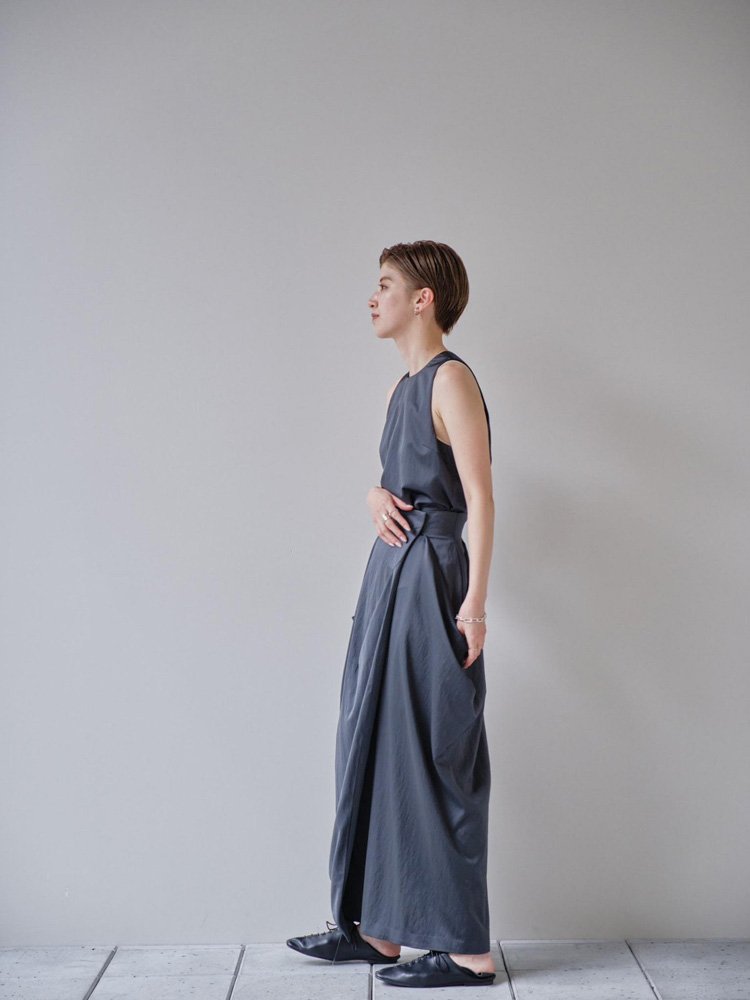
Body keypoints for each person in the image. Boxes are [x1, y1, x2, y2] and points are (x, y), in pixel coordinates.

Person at [287, 240, 496, 988]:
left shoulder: (451, 379)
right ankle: (376, 930)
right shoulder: (398, 390)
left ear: (422, 298)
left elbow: (481, 499)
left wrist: (474, 606)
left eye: (384, 285)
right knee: (372, 740)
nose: (372, 298)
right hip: (388, 580)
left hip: (433, 576)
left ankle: (468, 950)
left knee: (436, 752)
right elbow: (396, 482)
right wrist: (374, 495)